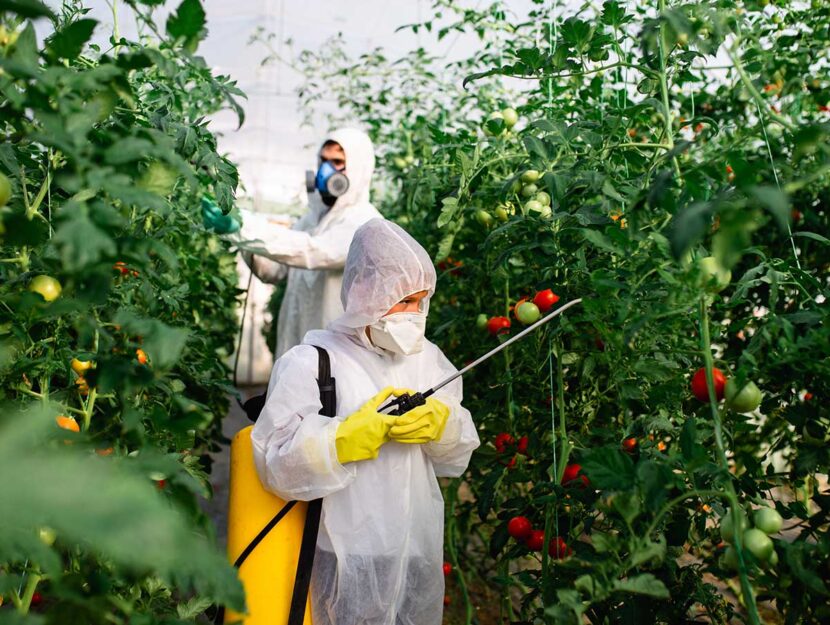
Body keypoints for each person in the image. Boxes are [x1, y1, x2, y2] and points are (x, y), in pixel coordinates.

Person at [250, 219, 480, 625]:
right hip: (341, 547)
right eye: (403, 301)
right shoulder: (314, 362)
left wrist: (443, 427)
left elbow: (457, 456)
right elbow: (274, 465)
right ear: (363, 292)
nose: (414, 315)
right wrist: (336, 443)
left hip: (412, 543)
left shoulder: (428, 360)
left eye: (421, 302)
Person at [204, 128, 382, 359]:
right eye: (323, 161)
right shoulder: (311, 220)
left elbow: (313, 251)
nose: (325, 171)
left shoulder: (365, 223)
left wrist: (244, 226)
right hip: (298, 346)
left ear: (359, 169)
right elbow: (275, 271)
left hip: (338, 357)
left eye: (337, 162)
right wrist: (245, 240)